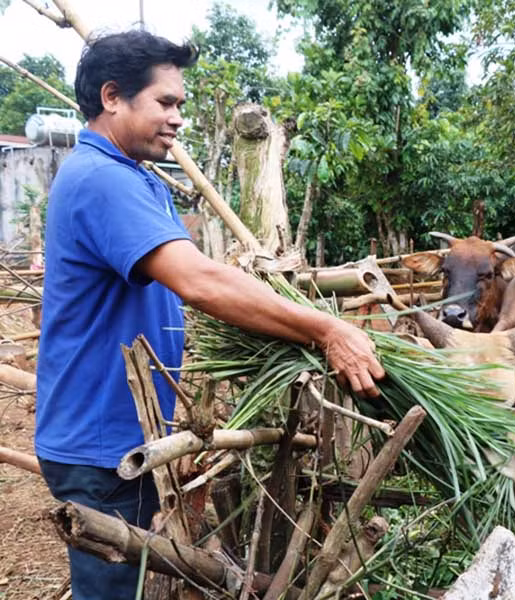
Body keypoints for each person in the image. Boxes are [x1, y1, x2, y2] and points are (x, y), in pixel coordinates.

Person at [35, 30, 385, 599]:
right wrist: (325, 327)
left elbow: (197, 272)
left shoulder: (136, 178)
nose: (178, 119)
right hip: (99, 442)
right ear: (112, 97)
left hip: (116, 431)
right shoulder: (100, 180)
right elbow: (198, 281)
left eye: (182, 105)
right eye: (165, 102)